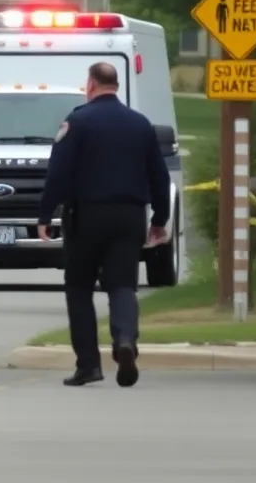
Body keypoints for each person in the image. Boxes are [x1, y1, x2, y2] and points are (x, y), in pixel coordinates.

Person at [38, 62, 170, 388]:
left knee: (79, 288)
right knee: (123, 285)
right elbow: (159, 175)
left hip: (87, 216)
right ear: (117, 86)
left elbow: (58, 173)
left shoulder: (77, 121)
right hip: (130, 216)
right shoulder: (140, 124)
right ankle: (125, 340)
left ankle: (88, 365)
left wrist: (45, 215)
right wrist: (159, 219)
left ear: (91, 85)